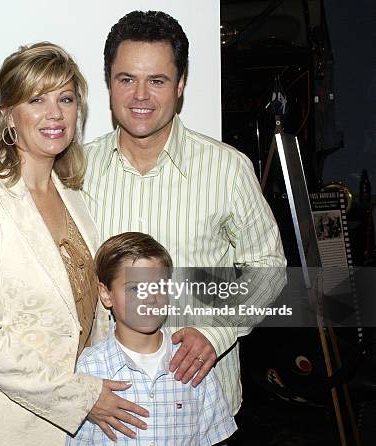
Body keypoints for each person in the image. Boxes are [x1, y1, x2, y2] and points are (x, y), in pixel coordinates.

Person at [83, 10, 287, 421]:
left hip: (200, 406)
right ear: (109, 85)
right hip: (104, 411)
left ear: (179, 86)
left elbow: (269, 268)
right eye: (127, 80)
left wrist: (217, 331)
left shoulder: (227, 169)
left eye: (156, 80)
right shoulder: (75, 172)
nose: (140, 95)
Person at [0, 42, 148, 446]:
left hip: (89, 424)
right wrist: (81, 397)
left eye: (66, 99)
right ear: (9, 116)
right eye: (37, 99)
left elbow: (90, 314)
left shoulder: (76, 198)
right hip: (13, 428)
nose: (55, 113)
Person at [67, 232, 237, 445]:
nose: (150, 298)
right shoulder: (90, 368)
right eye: (135, 288)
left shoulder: (192, 361)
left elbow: (215, 438)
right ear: (106, 294)